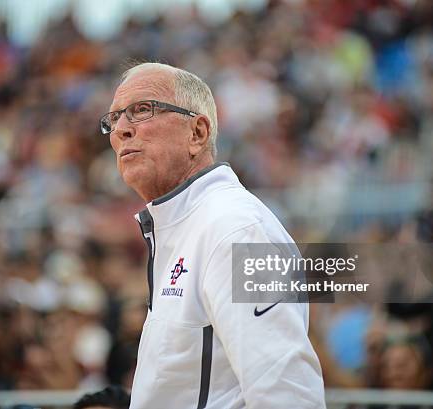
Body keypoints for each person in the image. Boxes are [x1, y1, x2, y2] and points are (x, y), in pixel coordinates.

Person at [100, 62, 325, 408]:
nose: (122, 130)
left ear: (197, 133)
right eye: (114, 119)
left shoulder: (238, 228)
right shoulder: (186, 224)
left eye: (141, 110)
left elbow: (288, 393)